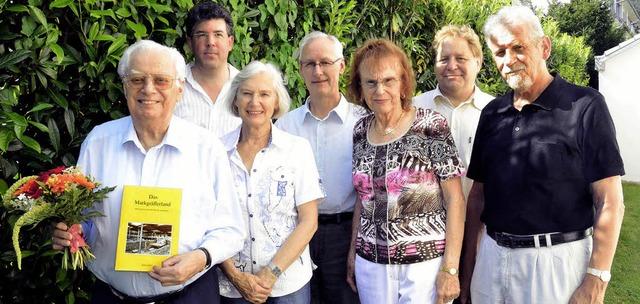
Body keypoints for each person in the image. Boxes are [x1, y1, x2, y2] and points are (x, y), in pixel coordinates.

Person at [51, 40, 245, 303]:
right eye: (137, 79)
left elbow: (231, 229)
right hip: (112, 297)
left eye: (161, 80)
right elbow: (86, 218)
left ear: (180, 88)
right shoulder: (99, 142)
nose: (148, 89)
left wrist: (201, 258)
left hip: (190, 296)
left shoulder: (206, 148)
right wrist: (73, 232)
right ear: (124, 87)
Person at [460, 6, 625, 304]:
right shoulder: (492, 114)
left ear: (544, 47)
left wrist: (596, 279)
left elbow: (610, 200)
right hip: (491, 259)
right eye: (499, 53)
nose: (509, 60)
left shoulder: (585, 106)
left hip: (554, 266)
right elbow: (477, 198)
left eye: (518, 47)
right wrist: (469, 271)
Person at [346, 38, 466, 304]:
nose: (380, 90)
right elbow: (362, 198)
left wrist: (451, 268)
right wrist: (354, 252)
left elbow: (455, 199)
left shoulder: (431, 125)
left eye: (389, 80)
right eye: (371, 82)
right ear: (360, 88)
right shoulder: (359, 132)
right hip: (371, 264)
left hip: (424, 266)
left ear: (402, 84)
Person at [217, 60, 325, 304]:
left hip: (288, 284)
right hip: (233, 285)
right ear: (235, 99)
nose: (255, 102)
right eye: (247, 94)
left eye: (264, 94)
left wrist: (269, 275)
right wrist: (235, 276)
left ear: (276, 102)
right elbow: (210, 221)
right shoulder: (217, 152)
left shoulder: (297, 150)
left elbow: (308, 221)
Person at [275, 31, 362, 304]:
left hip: (345, 232)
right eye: (310, 64)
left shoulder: (363, 123)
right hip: (294, 233)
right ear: (300, 69)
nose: (318, 71)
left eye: (325, 62)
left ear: (342, 66)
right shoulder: (284, 126)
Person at [413, 24, 494, 199]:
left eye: (460, 58)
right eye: (444, 59)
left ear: (478, 63)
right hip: (427, 224)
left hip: (481, 223)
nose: (451, 66)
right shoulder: (414, 110)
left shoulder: (496, 112)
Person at [173, 1, 241, 137]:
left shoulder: (246, 86)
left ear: (230, 42)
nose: (210, 42)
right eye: (202, 35)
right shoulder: (171, 84)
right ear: (190, 43)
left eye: (218, 34)